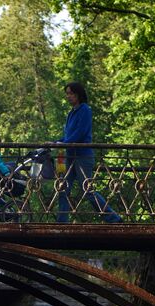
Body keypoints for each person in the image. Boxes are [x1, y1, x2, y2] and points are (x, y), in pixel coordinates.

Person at [57, 81, 121, 223]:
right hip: (70, 155)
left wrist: (63, 143)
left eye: (71, 94)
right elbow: (68, 135)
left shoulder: (85, 110)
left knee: (87, 189)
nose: (68, 97)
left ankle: (113, 218)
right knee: (63, 187)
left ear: (78, 94)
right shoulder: (71, 113)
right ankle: (62, 221)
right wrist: (57, 142)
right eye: (67, 94)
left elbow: (80, 133)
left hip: (82, 155)